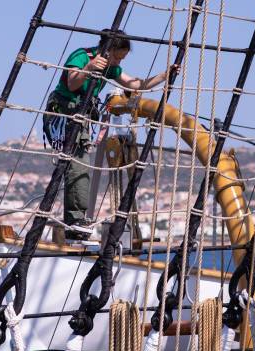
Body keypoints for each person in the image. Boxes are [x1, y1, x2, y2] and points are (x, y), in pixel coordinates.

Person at [43, 29, 179, 240]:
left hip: (81, 117)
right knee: (77, 164)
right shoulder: (81, 56)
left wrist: (164, 76)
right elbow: (72, 83)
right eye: (116, 57)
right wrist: (88, 68)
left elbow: (136, 85)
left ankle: (75, 221)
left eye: (121, 58)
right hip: (63, 114)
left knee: (78, 164)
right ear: (106, 49)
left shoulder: (111, 69)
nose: (117, 62)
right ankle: (74, 221)